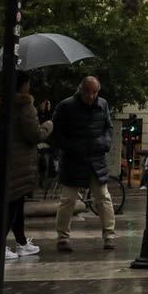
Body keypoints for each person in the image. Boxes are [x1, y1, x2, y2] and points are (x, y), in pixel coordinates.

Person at [0, 70, 52, 260]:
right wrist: (48, 124)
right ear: (22, 85)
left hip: (6, 157)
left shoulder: (1, 105)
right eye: (28, 83)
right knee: (12, 205)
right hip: (21, 161)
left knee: (16, 202)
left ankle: (22, 242)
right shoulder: (24, 105)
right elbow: (34, 135)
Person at [51, 76, 116, 251]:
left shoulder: (102, 104)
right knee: (68, 200)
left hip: (95, 158)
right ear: (80, 89)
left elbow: (108, 127)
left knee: (103, 198)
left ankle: (109, 235)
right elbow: (56, 133)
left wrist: (105, 143)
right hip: (74, 159)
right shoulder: (66, 106)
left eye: (95, 92)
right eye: (88, 92)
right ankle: (63, 238)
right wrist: (72, 147)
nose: (91, 96)